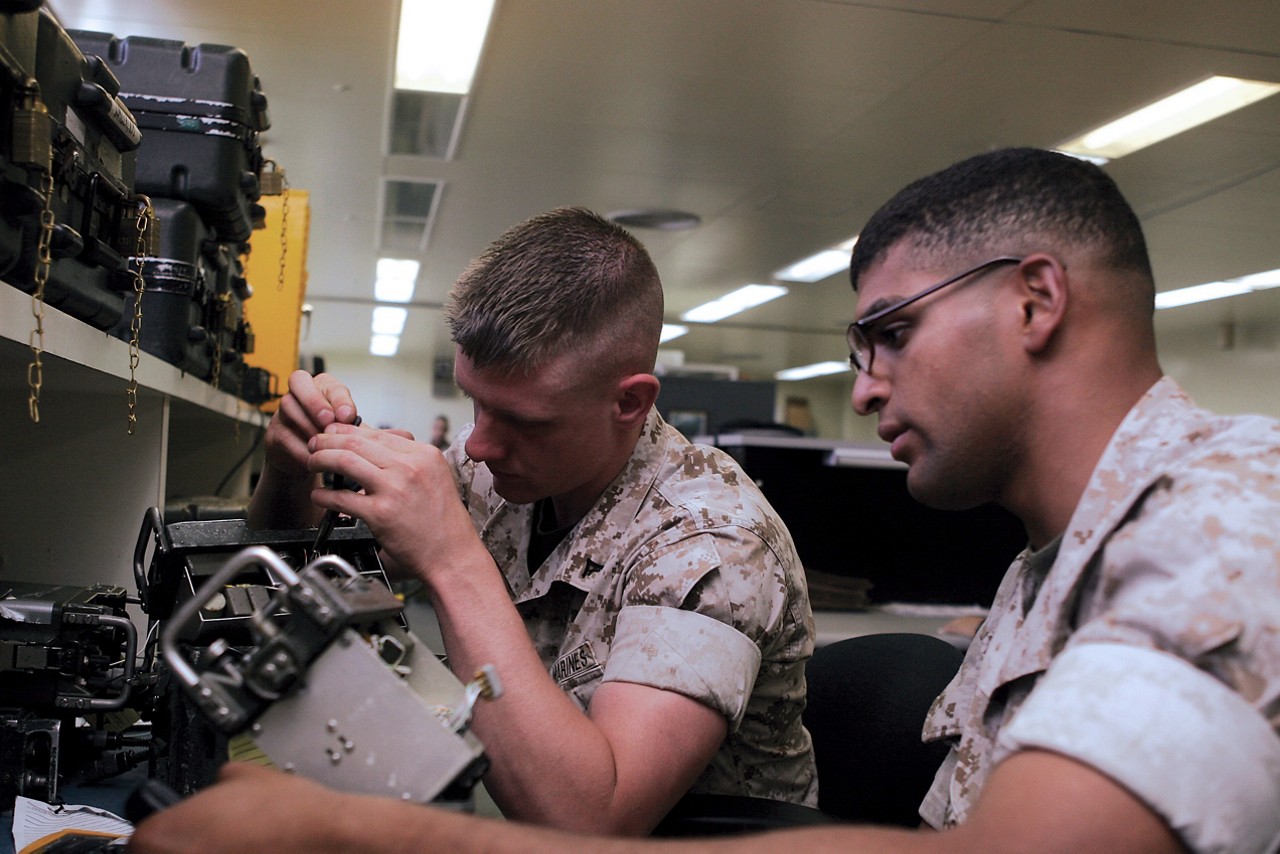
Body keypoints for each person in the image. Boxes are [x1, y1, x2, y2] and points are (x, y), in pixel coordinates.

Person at [129, 149, 1280, 853]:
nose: (863, 384)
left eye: (888, 333)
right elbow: (272, 570)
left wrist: (358, 831)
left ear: (1035, 300)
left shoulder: (1227, 508)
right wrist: (290, 466)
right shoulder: (1047, 563)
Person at [241, 206, 817, 835]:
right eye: (475, 403)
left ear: (629, 401)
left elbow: (591, 824)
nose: (480, 445)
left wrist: (451, 560)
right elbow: (287, 588)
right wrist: (292, 469)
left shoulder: (717, 544)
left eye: (524, 420)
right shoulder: (493, 466)